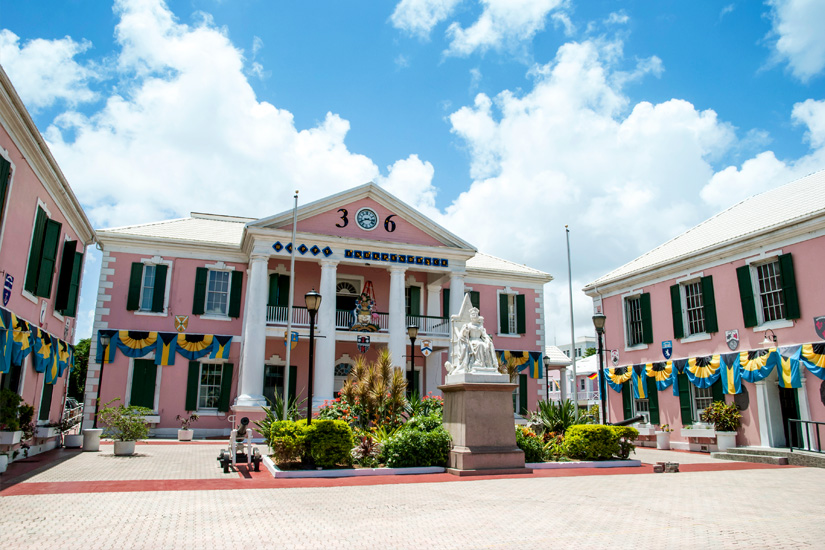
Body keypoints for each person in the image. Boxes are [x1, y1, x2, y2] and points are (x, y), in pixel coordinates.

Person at [456, 308, 497, 372]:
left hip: (479, 340)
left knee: (487, 345)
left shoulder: (480, 327)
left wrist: (488, 340)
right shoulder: (468, 326)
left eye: (475, 314)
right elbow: (462, 335)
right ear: (470, 316)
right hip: (472, 341)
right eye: (472, 314)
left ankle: (487, 364)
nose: (474, 315)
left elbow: (484, 335)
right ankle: (478, 362)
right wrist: (465, 332)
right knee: (480, 345)